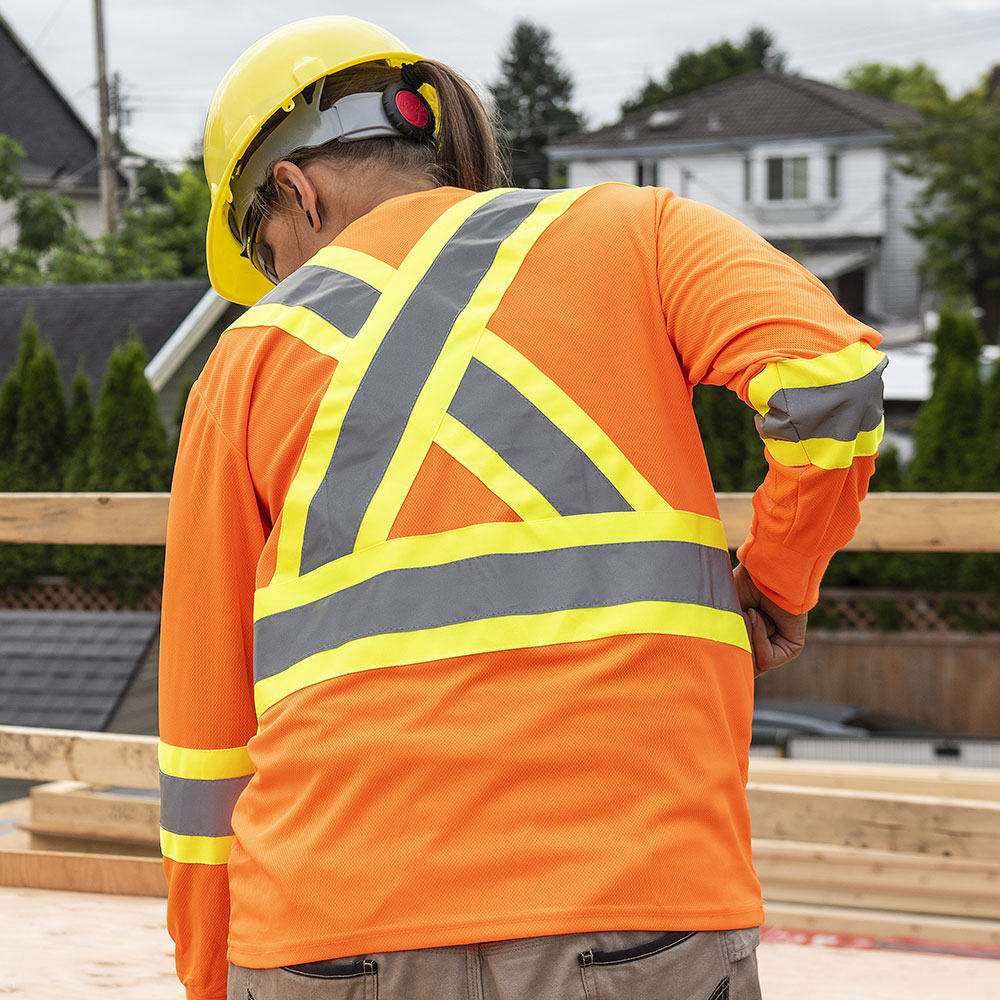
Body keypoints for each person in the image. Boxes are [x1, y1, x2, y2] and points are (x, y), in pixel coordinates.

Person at [159, 15, 885, 1000]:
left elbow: (205, 736)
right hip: (633, 904)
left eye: (268, 246)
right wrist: (778, 579)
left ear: (297, 190)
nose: (282, 282)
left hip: (328, 924)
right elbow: (830, 379)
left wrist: (208, 975)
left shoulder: (243, 364)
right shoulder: (637, 230)